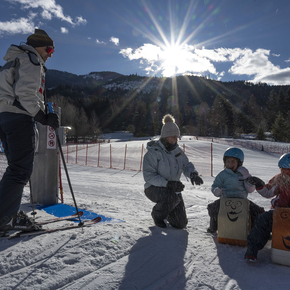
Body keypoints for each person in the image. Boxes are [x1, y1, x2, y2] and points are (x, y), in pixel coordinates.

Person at [0, 29, 59, 233]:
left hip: (5, 117)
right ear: (37, 46)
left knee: (15, 169)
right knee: (20, 170)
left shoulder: (14, 59)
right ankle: (5, 219)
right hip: (18, 117)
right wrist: (43, 116)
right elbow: (25, 94)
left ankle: (7, 213)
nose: (50, 54)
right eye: (49, 49)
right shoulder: (31, 59)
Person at [143, 114, 203, 229]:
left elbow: (186, 165)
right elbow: (149, 177)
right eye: (174, 137)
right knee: (171, 198)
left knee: (180, 224)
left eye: (177, 137)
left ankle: (168, 211)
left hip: (173, 189)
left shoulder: (177, 151)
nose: (176, 140)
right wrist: (168, 184)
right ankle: (157, 215)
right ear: (166, 136)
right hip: (153, 188)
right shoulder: (154, 152)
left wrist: (193, 174)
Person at [244, 152, 290, 262]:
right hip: (278, 212)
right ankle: (252, 250)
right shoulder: (279, 179)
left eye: (286, 170)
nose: (283, 172)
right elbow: (268, 192)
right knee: (262, 219)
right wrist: (259, 185)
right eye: (281, 169)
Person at [207, 147, 264, 233]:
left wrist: (247, 177)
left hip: (242, 200)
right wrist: (216, 191)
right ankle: (214, 226)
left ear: (239, 162)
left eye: (233, 161)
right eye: (228, 161)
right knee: (213, 207)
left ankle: (254, 229)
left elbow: (250, 190)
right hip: (225, 200)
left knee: (256, 210)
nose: (230, 164)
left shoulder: (243, 174)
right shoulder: (222, 174)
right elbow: (215, 185)